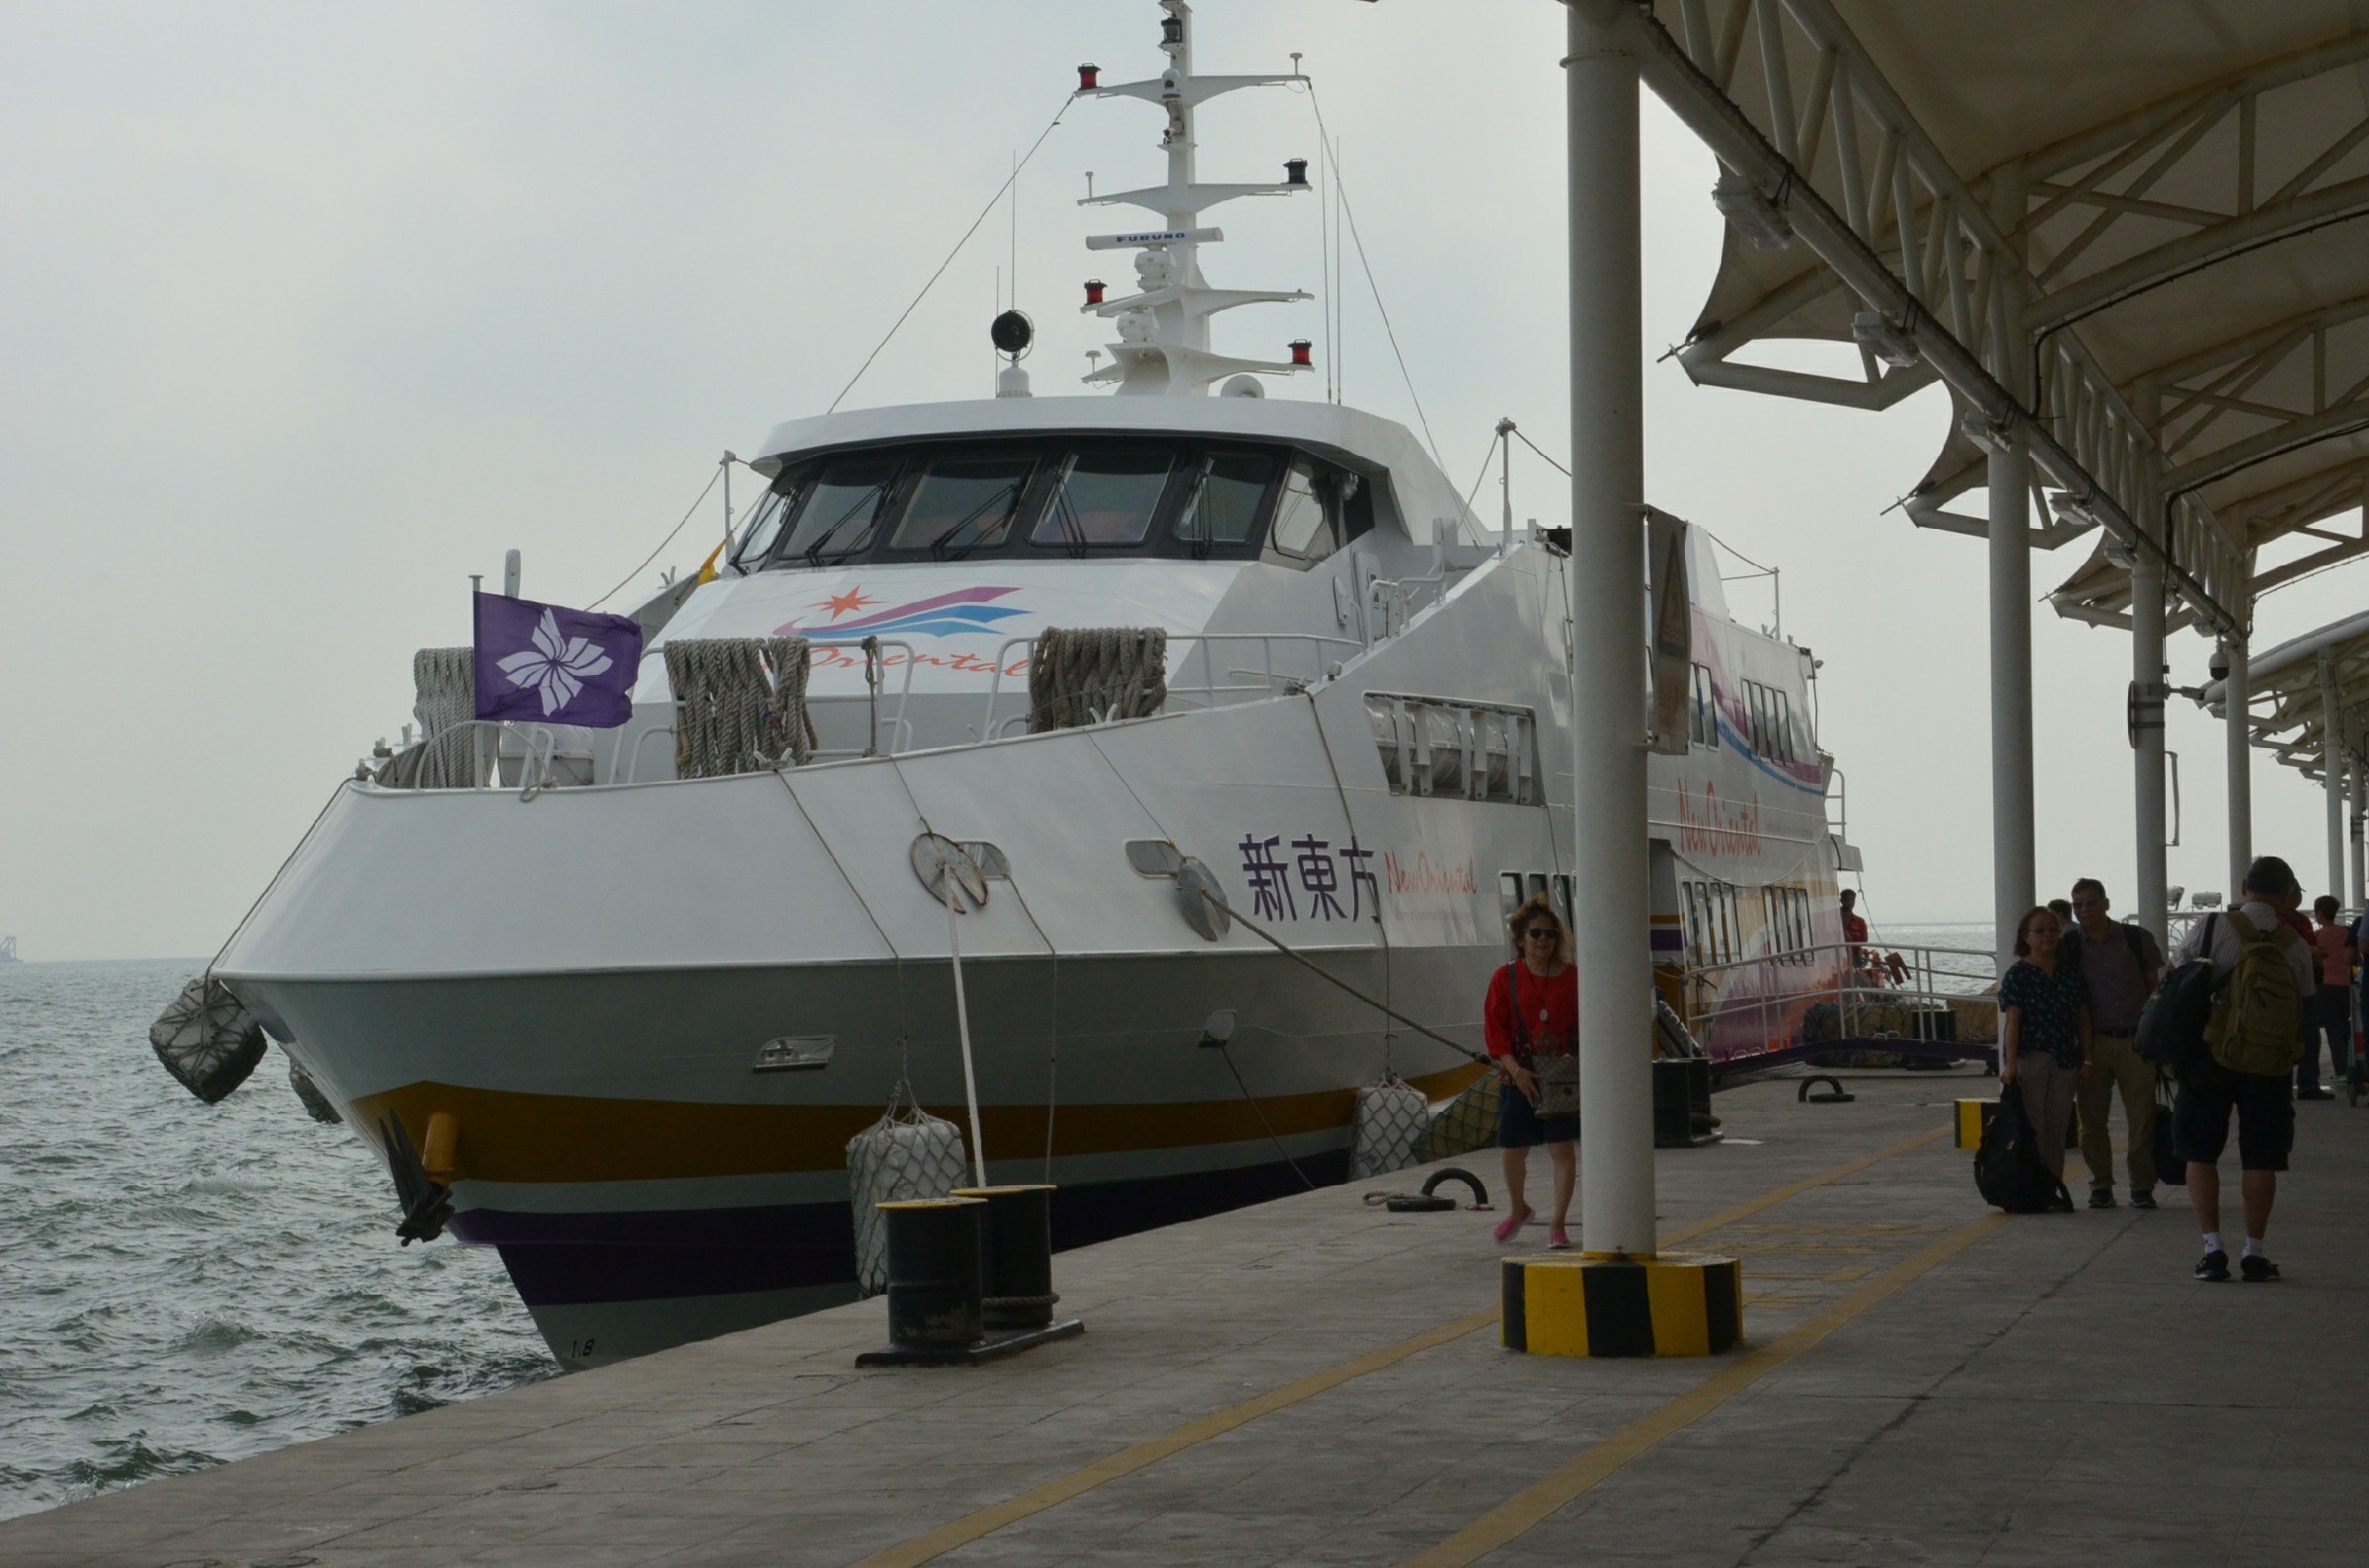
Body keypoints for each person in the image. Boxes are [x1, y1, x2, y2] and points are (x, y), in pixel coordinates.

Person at [2169, 856, 2315, 1282]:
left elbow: (2176, 974)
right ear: (2287, 895)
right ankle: (2254, 1252)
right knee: (2261, 1157)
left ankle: (2213, 1250)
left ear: (2244, 887)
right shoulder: (2295, 944)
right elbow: (2305, 1004)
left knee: (2200, 1152)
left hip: (2209, 1055)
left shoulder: (2212, 926)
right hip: (2268, 1063)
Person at [1485, 894, 1577, 1249]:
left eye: (1550, 934)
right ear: (1520, 938)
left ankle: (1558, 1223)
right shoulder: (1504, 978)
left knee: (1561, 1149)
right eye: (1535, 933)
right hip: (1517, 1075)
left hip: (1559, 1076)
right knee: (1512, 1149)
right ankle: (1518, 1208)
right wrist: (1516, 1071)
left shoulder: (1573, 978)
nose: (1543, 940)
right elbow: (1495, 1031)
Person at [2063, 879, 2164, 1208]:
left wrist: (2158, 1038)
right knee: (2092, 1121)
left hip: (2136, 1041)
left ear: (2106, 904)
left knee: (2142, 1118)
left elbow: (2155, 989)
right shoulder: (2069, 945)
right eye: (2077, 905)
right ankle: (2101, 1184)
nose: (2084, 911)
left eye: (2091, 903)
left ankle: (2141, 1186)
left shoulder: (2136, 938)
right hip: (2093, 1044)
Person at [1998, 905, 2091, 1210]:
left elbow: (2082, 1020)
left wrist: (2087, 1060)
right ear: (2026, 937)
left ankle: (2052, 1187)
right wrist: (2011, 1064)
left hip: (2065, 1059)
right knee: (2032, 1126)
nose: (2048, 936)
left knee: (2057, 1128)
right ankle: (2031, 1187)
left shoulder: (2069, 975)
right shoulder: (2018, 975)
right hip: (2031, 1057)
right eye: (2040, 931)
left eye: (2053, 930)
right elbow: (2013, 1022)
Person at [2302, 895, 2354, 1099]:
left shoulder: (2317, 936)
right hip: (2347, 986)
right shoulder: (2345, 933)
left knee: (2333, 1030)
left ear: (2320, 913)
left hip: (2326, 986)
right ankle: (2352, 1067)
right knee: (2347, 1029)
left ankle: (2341, 1070)